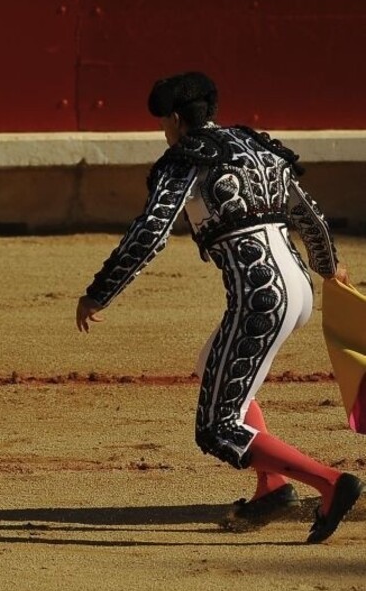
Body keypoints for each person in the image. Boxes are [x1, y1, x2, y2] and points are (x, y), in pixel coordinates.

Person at [76, 72, 363, 543]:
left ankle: (330, 484)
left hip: (261, 298)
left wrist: (100, 290)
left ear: (174, 120)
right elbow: (305, 210)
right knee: (213, 362)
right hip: (298, 288)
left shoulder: (185, 159)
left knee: (217, 429)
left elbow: (151, 232)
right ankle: (272, 486)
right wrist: (328, 264)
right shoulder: (258, 147)